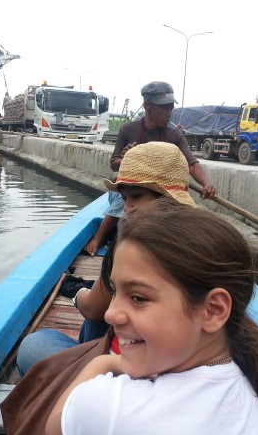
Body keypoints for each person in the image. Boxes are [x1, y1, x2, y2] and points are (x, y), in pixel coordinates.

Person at [45, 199, 258, 435]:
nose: (110, 314)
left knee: (36, 347)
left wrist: (104, 362)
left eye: (138, 297)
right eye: (115, 291)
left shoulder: (107, 408)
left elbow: (55, 429)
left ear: (214, 311)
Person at [15, 142, 197, 376]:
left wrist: (78, 295)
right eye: (125, 199)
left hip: (130, 373)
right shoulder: (195, 243)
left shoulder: (132, 244)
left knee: (34, 345)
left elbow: (94, 311)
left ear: (166, 198)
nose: (127, 210)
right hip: (149, 365)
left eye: (136, 197)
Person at [83, 80, 216, 257]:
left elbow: (191, 164)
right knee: (125, 201)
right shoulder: (128, 129)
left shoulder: (175, 135)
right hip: (126, 187)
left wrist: (206, 183)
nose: (169, 114)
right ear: (147, 106)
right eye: (164, 109)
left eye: (171, 108)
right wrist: (128, 158)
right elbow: (114, 162)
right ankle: (99, 238)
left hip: (159, 191)